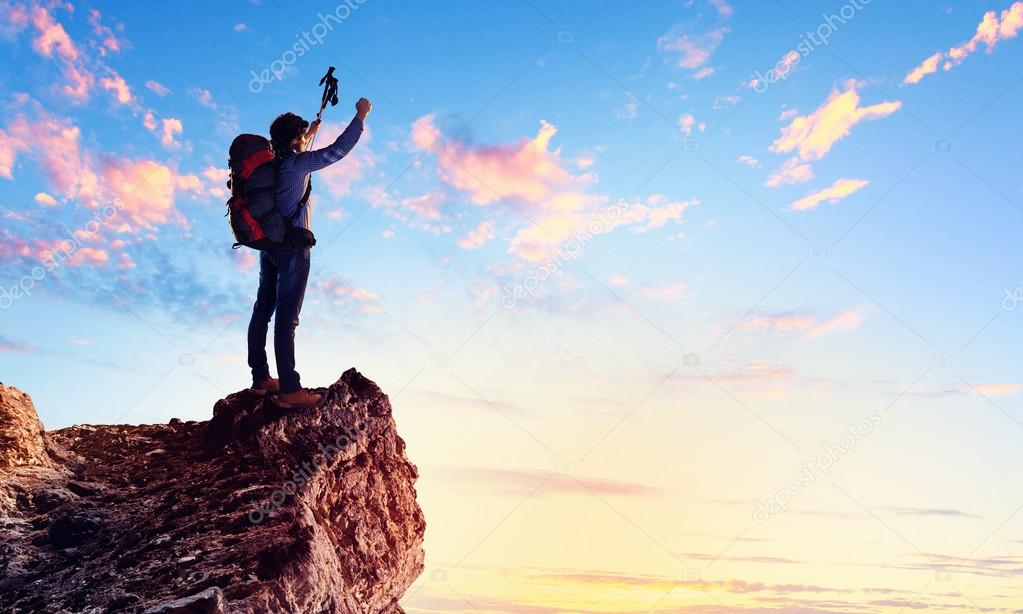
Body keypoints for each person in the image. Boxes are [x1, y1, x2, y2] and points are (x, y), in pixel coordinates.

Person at [247, 97, 372, 408]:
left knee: (263, 311)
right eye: (301, 137)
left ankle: (261, 379)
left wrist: (311, 130)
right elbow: (338, 150)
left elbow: (299, 150)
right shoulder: (297, 165)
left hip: (270, 248)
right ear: (293, 140)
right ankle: (289, 389)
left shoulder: (273, 166)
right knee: (287, 319)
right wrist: (360, 116)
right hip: (293, 251)